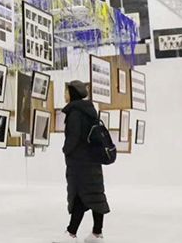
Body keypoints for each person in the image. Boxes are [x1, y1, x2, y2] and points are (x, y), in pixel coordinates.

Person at [55, 80, 110, 242]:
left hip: (80, 163)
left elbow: (73, 138)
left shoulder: (75, 113)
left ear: (72, 93)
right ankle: (97, 233)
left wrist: (66, 150)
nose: (64, 94)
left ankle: (71, 233)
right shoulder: (90, 111)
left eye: (66, 91)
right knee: (95, 195)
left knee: (80, 196)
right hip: (93, 161)